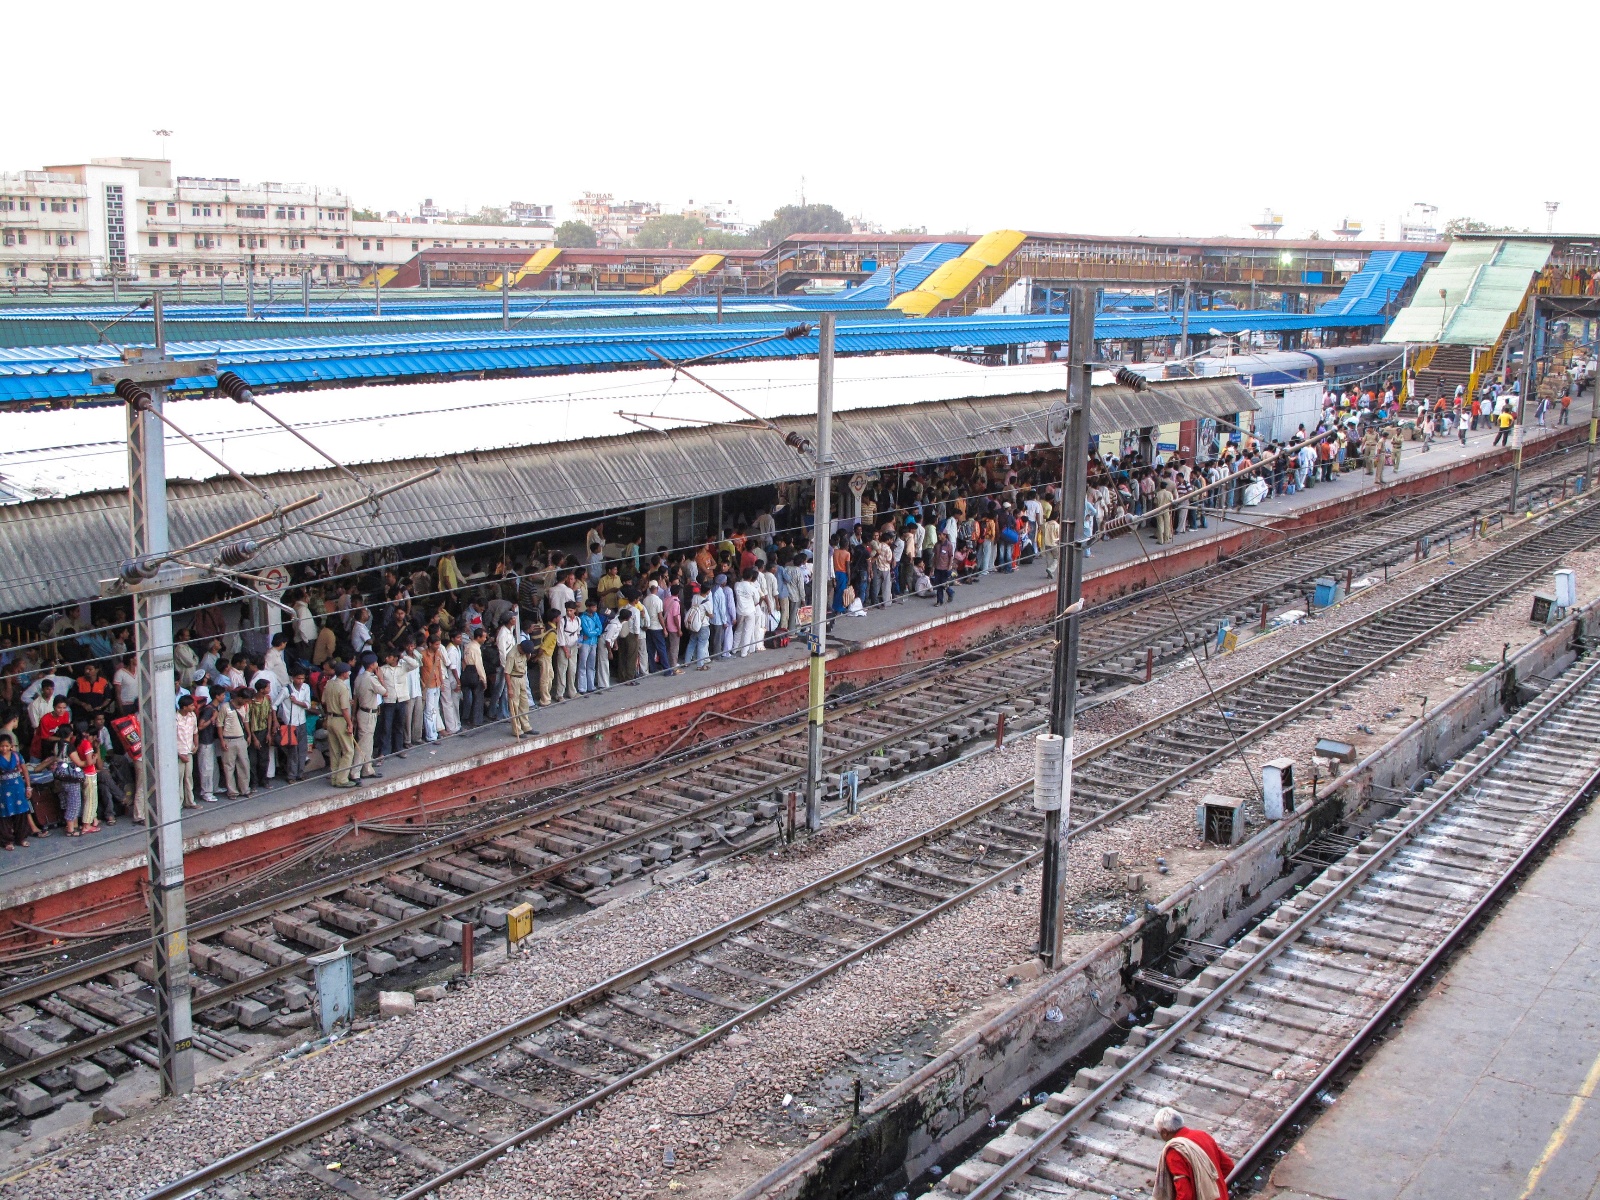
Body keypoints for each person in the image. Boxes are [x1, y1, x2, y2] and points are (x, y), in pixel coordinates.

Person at [1152, 1106, 1233, 1200]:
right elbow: (1228, 1165)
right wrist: (1209, 1184)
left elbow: (1185, 1194)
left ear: (1164, 1132)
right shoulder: (1203, 1135)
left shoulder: (1175, 1152)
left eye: (1159, 1132)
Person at [321, 661, 356, 787]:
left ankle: (334, 777)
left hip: (330, 718)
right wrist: (350, 724)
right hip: (340, 719)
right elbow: (344, 709)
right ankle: (342, 779)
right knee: (348, 750)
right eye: (348, 672)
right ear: (344, 674)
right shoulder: (343, 687)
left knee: (334, 750)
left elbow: (324, 701)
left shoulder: (329, 683)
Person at [0, 732, 33, 850]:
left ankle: (21, 838)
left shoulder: (17, 756)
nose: (4, 748)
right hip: (3, 790)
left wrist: (28, 787)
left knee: (21, 813)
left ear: (11, 746)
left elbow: (25, 771)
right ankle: (7, 841)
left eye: (6, 746)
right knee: (5, 815)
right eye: (1, 746)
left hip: (18, 788)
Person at [279, 667, 312, 783]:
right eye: (298, 678)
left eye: (303, 678)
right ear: (293, 678)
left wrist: (297, 702)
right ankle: (291, 775)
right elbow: (274, 705)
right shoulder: (286, 690)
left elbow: (308, 705)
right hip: (290, 724)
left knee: (302, 750)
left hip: (302, 722)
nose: (301, 681)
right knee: (292, 752)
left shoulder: (306, 688)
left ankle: (300, 773)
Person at [174, 694, 199, 809]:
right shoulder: (174, 718)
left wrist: (196, 744)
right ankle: (178, 803)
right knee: (178, 778)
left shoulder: (192, 716)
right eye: (191, 705)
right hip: (179, 752)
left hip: (189, 750)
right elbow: (171, 738)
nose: (193, 707)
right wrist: (179, 754)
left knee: (188, 777)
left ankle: (190, 801)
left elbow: (195, 731)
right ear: (184, 707)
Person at [506, 637, 534, 738]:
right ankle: (517, 730)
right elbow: (507, 673)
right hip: (514, 679)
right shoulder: (512, 655)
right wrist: (509, 688)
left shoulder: (525, 653)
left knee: (524, 704)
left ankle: (526, 726)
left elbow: (527, 659)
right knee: (515, 705)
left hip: (522, 678)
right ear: (521, 649)